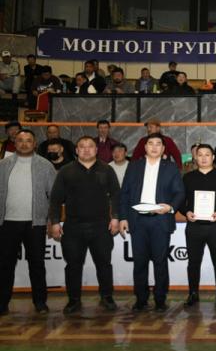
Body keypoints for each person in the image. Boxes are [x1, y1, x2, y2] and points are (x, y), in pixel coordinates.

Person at [49, 136, 121, 314]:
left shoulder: (107, 169)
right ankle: (73, 300)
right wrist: (55, 222)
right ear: (76, 150)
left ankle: (107, 297)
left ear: (96, 150)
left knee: (104, 264)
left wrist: (115, 218)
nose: (86, 149)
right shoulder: (66, 171)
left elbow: (116, 195)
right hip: (73, 227)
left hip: (101, 226)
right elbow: (55, 199)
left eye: (90, 146)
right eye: (82, 146)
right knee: (73, 265)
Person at [119, 133, 185, 312]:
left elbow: (180, 192)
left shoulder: (170, 167)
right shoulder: (134, 166)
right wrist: (123, 217)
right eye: (150, 143)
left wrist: (170, 207)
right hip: (137, 220)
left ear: (163, 149)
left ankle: (160, 298)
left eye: (158, 144)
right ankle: (141, 299)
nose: (154, 147)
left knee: (160, 262)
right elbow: (124, 193)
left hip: (160, 221)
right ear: (145, 147)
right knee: (139, 262)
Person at [0, 129, 56, 315]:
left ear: (35, 143)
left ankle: (40, 302)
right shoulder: (3, 165)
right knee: (5, 265)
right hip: (7, 223)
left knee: (37, 264)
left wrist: (52, 220)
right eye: (20, 140)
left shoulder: (45, 166)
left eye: (28, 140)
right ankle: (2, 303)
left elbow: (54, 196)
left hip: (36, 223)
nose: (24, 144)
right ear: (14, 143)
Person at [181, 144, 216, 308]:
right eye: (200, 155)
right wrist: (186, 212)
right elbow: (180, 200)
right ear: (195, 158)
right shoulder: (188, 178)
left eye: (207, 154)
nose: (203, 158)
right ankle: (193, 293)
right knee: (193, 263)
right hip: (194, 227)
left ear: (213, 157)